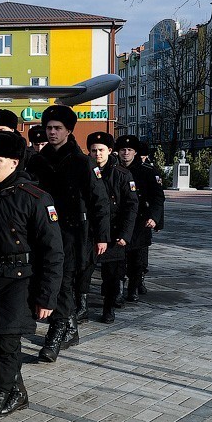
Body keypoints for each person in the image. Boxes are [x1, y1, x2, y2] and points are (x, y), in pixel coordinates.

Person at [0, 131, 63, 422]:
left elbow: (53, 251)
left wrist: (47, 297)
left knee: (6, 346)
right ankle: (17, 391)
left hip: (19, 281)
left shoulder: (35, 198)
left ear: (14, 162)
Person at [24, 105, 109, 362]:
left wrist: (102, 236)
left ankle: (56, 332)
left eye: (57, 128)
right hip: (42, 231)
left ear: (68, 131)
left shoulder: (83, 162)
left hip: (72, 232)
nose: (52, 132)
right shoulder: (37, 160)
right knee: (48, 279)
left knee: (62, 282)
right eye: (48, 128)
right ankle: (69, 326)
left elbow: (99, 200)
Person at [87, 132, 138, 323]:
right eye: (93, 150)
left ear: (109, 151)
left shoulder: (122, 174)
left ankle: (108, 308)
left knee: (112, 275)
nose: (97, 154)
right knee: (83, 272)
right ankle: (81, 306)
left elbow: (131, 206)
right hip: (90, 231)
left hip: (114, 232)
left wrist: (125, 234)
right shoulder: (85, 171)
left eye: (101, 150)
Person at [116, 135, 165, 302]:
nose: (126, 153)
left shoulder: (147, 171)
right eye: (123, 150)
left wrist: (154, 217)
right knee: (119, 259)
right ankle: (118, 290)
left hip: (140, 221)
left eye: (129, 150)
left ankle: (133, 288)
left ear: (135, 152)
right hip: (119, 220)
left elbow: (158, 198)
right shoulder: (113, 169)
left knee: (138, 260)